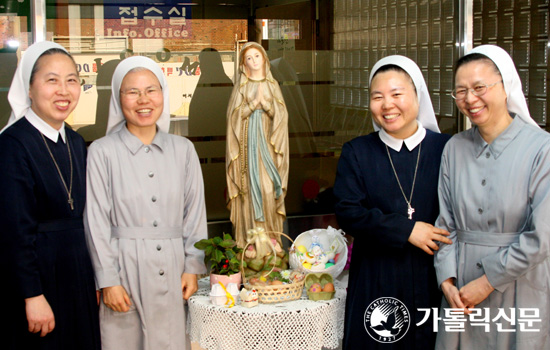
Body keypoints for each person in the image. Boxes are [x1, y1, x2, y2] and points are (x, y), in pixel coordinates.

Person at [84, 56, 208, 350]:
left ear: (163, 94)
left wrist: (193, 265)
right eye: (132, 91)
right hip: (124, 267)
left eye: (151, 90)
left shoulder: (183, 150)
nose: (143, 100)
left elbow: (195, 213)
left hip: (174, 266)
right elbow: (96, 222)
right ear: (118, 98)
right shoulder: (102, 152)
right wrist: (107, 279)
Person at [434, 45, 550, 349]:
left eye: (479, 87)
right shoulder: (454, 148)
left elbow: (541, 236)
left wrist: (487, 282)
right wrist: (446, 280)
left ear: (505, 87)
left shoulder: (542, 149)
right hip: (461, 295)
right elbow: (445, 223)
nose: (470, 99)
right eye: (461, 91)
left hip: (519, 287)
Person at [333, 55, 452, 349]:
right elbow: (348, 212)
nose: (387, 105)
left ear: (417, 96)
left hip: (433, 275)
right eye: (378, 97)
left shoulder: (446, 148)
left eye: (397, 94)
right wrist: (406, 229)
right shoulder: (358, 151)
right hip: (377, 276)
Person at [0, 41, 100, 349]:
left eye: (72, 80)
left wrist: (95, 281)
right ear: (29, 88)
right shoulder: (12, 145)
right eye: (51, 80)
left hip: (78, 274)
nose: (64, 90)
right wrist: (32, 295)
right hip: (37, 278)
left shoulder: (75, 141)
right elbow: (13, 230)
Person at [226, 41, 289, 249]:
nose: (253, 61)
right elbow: (233, 119)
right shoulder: (241, 87)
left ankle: (271, 235)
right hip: (247, 148)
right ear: (244, 64)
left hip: (268, 146)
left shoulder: (273, 85)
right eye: (248, 58)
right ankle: (251, 239)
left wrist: (268, 107)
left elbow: (282, 117)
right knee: (250, 190)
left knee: (268, 187)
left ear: (264, 59)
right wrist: (253, 105)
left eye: (256, 56)